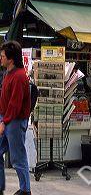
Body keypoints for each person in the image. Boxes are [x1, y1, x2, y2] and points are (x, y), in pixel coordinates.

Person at [0, 41, 31, 195]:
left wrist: (4, 122)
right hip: (6, 118)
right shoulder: (8, 73)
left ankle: (26, 190)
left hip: (15, 121)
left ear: (10, 59)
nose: (1, 58)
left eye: (3, 56)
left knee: (18, 157)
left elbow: (15, 104)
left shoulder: (19, 76)